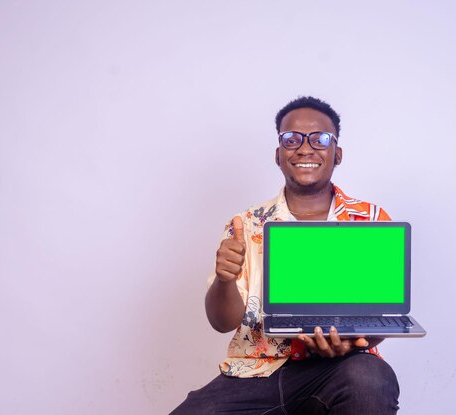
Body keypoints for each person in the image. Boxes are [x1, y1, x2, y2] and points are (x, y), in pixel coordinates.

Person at [171, 96, 399, 414]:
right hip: (254, 372)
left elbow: (383, 315)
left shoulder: (370, 220)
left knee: (370, 379)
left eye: (320, 139)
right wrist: (224, 280)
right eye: (292, 139)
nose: (305, 149)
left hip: (341, 372)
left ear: (338, 154)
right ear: (279, 155)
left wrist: (356, 342)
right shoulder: (246, 224)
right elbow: (221, 322)